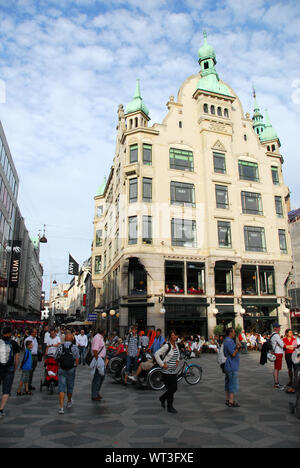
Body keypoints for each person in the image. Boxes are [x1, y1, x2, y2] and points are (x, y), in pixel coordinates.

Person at [155, 330, 180, 414]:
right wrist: (162, 364)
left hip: (173, 371)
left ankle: (162, 398)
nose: (174, 337)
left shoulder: (176, 345)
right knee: (171, 389)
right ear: (170, 337)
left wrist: (177, 360)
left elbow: (177, 355)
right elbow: (156, 354)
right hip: (166, 372)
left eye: (175, 335)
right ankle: (170, 407)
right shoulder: (167, 346)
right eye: (172, 335)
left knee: (174, 388)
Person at [55, 333, 79, 415]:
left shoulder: (60, 347)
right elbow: (77, 358)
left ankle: (61, 408)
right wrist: (75, 366)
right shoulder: (74, 347)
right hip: (71, 369)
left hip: (61, 369)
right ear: (72, 339)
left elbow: (56, 357)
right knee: (70, 385)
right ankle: (69, 401)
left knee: (61, 387)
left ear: (65, 339)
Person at [0, 327, 20, 418]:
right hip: (9, 368)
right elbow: (17, 358)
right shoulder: (14, 343)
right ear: (10, 334)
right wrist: (15, 367)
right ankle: (1, 409)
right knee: (6, 390)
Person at [223, 327, 241, 408]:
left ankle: (227, 399)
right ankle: (231, 401)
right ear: (230, 333)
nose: (234, 334)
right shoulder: (229, 341)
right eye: (233, 332)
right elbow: (233, 354)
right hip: (231, 364)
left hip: (228, 364)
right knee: (232, 383)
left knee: (227, 382)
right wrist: (237, 348)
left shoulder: (226, 341)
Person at [91, 328, 106, 401]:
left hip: (100, 359)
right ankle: (94, 394)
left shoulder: (100, 337)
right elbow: (95, 350)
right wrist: (98, 360)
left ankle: (96, 392)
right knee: (98, 377)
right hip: (99, 359)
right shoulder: (97, 338)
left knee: (101, 376)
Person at [270, 323, 285, 390]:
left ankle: (277, 382)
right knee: (276, 368)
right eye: (278, 327)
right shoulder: (276, 335)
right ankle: (276, 383)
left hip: (275, 352)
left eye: (279, 327)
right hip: (278, 352)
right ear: (275, 328)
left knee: (276, 368)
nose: (279, 328)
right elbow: (282, 345)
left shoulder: (272, 335)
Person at [283, 329, 298, 393]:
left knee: (295, 369)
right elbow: (284, 346)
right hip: (287, 355)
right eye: (289, 332)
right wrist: (289, 346)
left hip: (294, 354)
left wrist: (288, 346)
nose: (291, 333)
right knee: (289, 368)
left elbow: (295, 346)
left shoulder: (294, 339)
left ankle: (295, 381)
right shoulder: (284, 339)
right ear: (286, 333)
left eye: (291, 332)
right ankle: (290, 380)